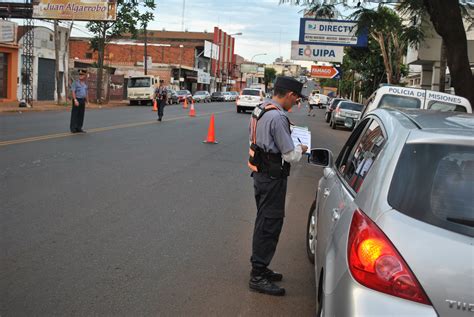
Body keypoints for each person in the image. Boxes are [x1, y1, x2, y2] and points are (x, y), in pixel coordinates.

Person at [247, 76, 308, 296]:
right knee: (270, 224)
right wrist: (302, 148)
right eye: (297, 99)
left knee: (264, 220)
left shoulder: (260, 108)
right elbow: (290, 155)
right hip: (272, 178)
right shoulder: (278, 117)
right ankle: (258, 275)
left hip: (260, 175)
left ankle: (260, 267)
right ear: (290, 94)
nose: (297, 103)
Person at [70, 69, 88, 133]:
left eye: (82, 75)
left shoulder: (85, 84)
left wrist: (87, 101)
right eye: (79, 74)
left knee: (81, 115)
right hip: (77, 99)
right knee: (75, 114)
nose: (80, 76)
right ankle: (73, 128)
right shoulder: (75, 83)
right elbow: (73, 92)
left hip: (82, 100)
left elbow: (85, 92)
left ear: (85, 76)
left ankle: (79, 127)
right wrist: (75, 100)